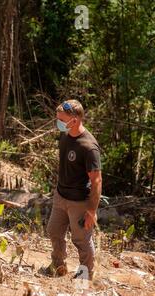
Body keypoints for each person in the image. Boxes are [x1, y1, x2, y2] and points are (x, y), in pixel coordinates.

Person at [43, 99, 102, 280]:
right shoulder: (66, 135)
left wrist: (91, 210)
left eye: (61, 119)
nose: (58, 122)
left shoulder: (89, 147)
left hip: (79, 202)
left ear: (75, 120)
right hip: (61, 196)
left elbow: (97, 180)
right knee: (54, 231)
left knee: (81, 241)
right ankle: (58, 266)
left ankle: (85, 276)